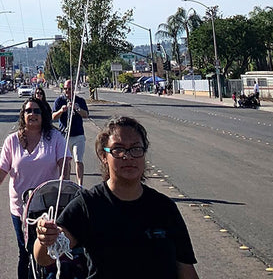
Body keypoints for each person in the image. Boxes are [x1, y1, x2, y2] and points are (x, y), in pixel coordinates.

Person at [34, 116, 199, 279]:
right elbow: (44, 258)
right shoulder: (88, 204)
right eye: (118, 149)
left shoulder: (165, 208)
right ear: (104, 156)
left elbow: (186, 268)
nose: (128, 157)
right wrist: (45, 238)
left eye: (136, 148)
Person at [0, 97, 69, 279]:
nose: (32, 114)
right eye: (28, 111)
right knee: (25, 252)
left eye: (37, 111)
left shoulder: (55, 138)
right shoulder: (12, 140)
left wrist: (64, 185)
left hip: (48, 209)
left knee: (47, 252)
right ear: (23, 115)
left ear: (44, 115)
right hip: (21, 210)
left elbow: (64, 165)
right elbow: (3, 168)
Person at [52, 79, 90, 186]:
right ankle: (67, 183)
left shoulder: (80, 100)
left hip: (78, 135)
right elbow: (53, 117)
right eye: (65, 89)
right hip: (64, 136)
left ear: (74, 89)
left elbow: (86, 114)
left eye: (70, 89)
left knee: (78, 160)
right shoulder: (59, 101)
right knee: (66, 162)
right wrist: (61, 111)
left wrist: (77, 108)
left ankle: (80, 184)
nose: (67, 91)